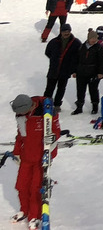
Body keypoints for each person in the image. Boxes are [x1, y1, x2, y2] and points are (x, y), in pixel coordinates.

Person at [9, 94, 61, 226]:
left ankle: (35, 216)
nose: (18, 114)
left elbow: (56, 131)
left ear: (28, 107)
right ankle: (24, 211)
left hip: (41, 158)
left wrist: (52, 139)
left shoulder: (46, 111)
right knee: (21, 185)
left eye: (20, 112)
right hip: (26, 156)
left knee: (36, 187)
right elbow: (20, 135)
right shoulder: (21, 115)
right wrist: (17, 152)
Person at [43, 23, 80, 110]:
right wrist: (54, 60)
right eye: (64, 31)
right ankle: (45, 104)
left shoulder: (76, 43)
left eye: (68, 31)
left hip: (66, 70)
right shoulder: (54, 41)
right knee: (49, 88)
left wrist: (74, 69)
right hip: (54, 69)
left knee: (61, 89)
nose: (66, 33)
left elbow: (78, 58)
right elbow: (47, 52)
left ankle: (57, 105)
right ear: (61, 32)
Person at [72, 28, 103, 115]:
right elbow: (76, 59)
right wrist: (74, 71)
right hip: (81, 71)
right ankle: (79, 107)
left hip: (93, 72)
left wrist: (100, 73)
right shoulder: (82, 47)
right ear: (88, 38)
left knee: (93, 90)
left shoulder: (99, 48)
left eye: (95, 39)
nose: (94, 40)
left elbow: (102, 61)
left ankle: (95, 107)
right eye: (92, 39)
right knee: (80, 90)